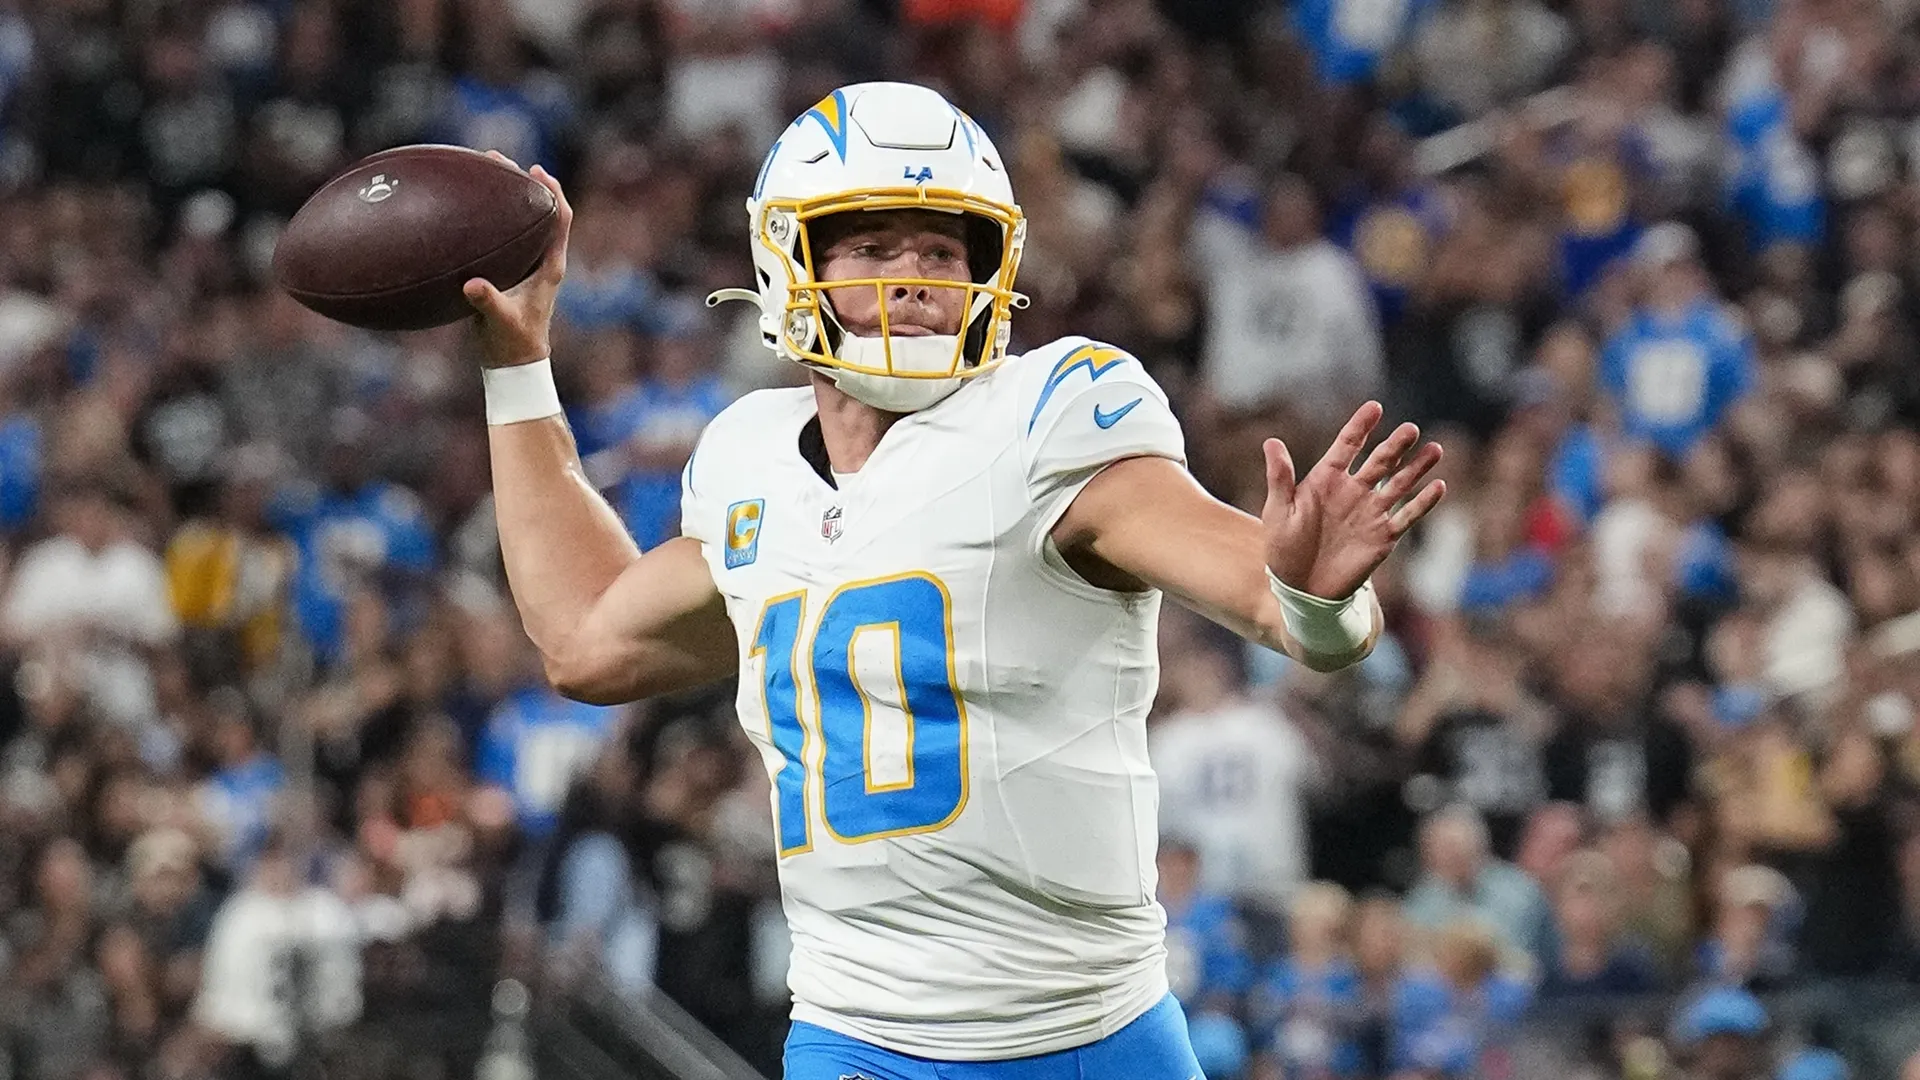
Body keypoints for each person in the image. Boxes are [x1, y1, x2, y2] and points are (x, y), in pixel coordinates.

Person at [462, 82, 1446, 1079]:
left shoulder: (1050, 419)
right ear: (785, 260)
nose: (917, 280)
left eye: (941, 250)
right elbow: (586, 639)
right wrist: (517, 367)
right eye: (874, 247)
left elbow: (1267, 598)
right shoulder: (747, 461)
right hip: (858, 1038)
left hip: (1088, 1040)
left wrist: (1317, 596)